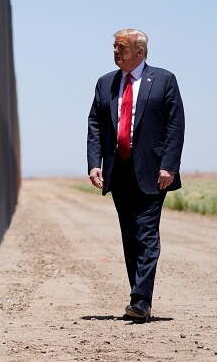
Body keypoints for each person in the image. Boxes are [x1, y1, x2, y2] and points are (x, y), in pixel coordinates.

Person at [87, 28, 185, 322]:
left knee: (146, 233)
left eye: (121, 48)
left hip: (154, 173)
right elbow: (95, 123)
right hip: (119, 172)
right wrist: (95, 162)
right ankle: (138, 295)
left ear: (139, 52)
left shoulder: (164, 80)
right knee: (130, 235)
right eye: (114, 47)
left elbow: (175, 125)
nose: (115, 52)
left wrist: (169, 165)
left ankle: (140, 300)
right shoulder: (105, 83)